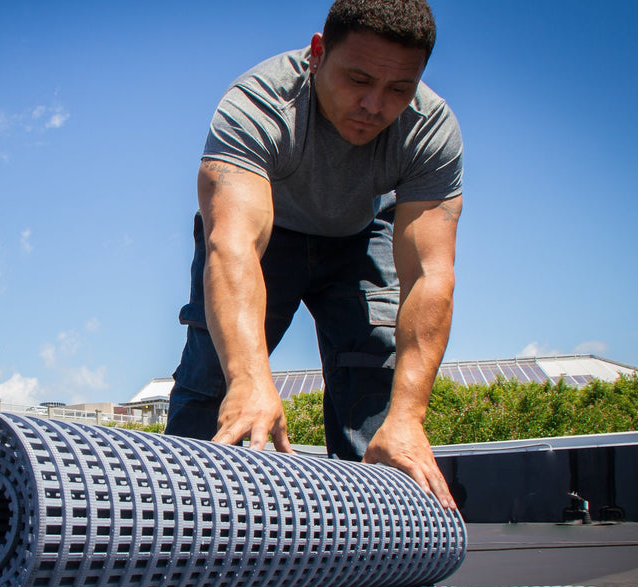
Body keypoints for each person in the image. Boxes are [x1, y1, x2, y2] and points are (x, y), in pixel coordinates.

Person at [165, 0, 461, 509]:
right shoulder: (258, 103)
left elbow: (428, 276)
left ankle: (371, 525)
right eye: (358, 79)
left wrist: (408, 417)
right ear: (318, 53)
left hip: (359, 235)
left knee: (373, 374)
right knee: (217, 374)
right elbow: (233, 245)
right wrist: (249, 379)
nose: (373, 105)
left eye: (398, 89)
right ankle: (176, 512)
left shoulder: (430, 130)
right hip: (266, 233)